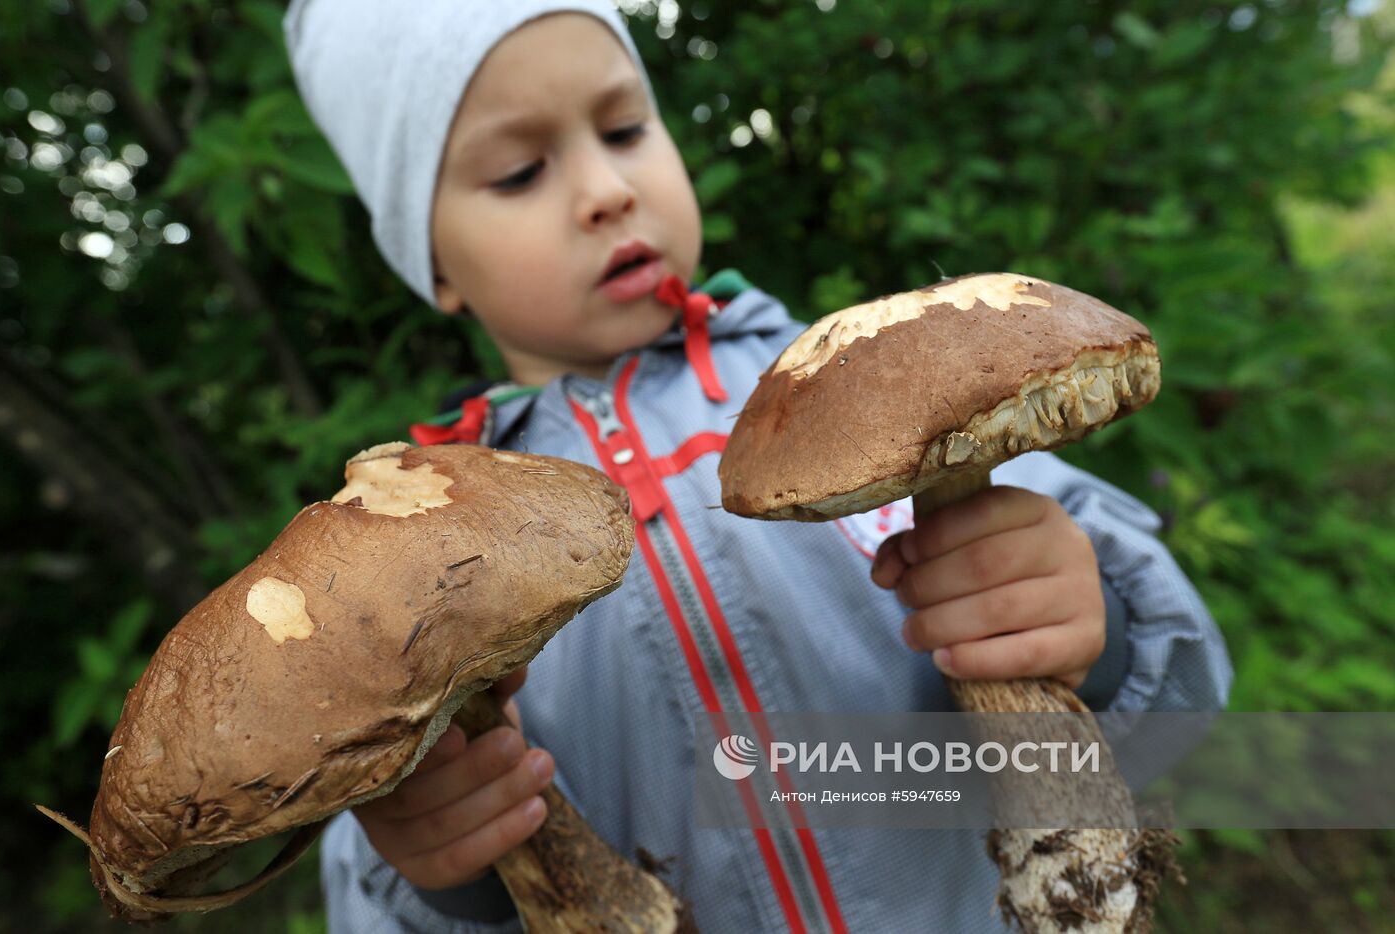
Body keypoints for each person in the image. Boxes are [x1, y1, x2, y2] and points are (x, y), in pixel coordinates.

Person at [284, 3, 1233, 931]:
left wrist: (1097, 634)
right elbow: (371, 885)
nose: (607, 189)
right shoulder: (432, 553)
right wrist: (445, 871)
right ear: (431, 264)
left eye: (623, 127)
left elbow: (1188, 677)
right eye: (522, 170)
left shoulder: (867, 387)